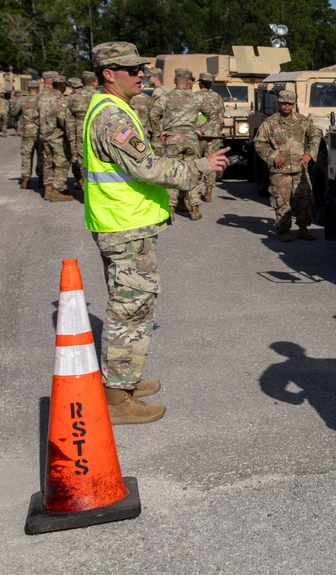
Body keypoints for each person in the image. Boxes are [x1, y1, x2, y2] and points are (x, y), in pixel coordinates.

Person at [83, 42, 229, 424]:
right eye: (131, 70)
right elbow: (146, 168)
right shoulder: (112, 116)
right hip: (124, 226)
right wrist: (199, 165)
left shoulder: (115, 108)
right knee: (129, 310)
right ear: (109, 74)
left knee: (134, 307)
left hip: (126, 223)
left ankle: (124, 381)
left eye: (141, 69)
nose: (141, 75)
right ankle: (116, 401)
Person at [253, 89, 321, 242]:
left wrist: (310, 153)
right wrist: (272, 156)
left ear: (294, 104)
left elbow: (315, 135)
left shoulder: (303, 121)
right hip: (280, 170)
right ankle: (284, 230)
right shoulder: (270, 123)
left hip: (300, 169)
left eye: (290, 104)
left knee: (304, 200)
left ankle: (303, 229)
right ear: (278, 103)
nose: (286, 107)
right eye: (284, 103)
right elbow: (259, 143)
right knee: (282, 202)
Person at [149, 68, 204, 220]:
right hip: (191, 139)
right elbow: (211, 113)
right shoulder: (197, 98)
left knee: (172, 172)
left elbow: (153, 114)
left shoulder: (166, 97)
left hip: (172, 139)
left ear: (174, 81)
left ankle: (171, 209)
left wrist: (159, 132)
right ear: (189, 82)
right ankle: (194, 209)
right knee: (193, 171)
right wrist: (200, 128)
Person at [38, 71, 73, 202]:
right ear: (62, 86)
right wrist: (71, 136)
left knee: (47, 163)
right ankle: (57, 190)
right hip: (56, 136)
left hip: (44, 135)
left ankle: (48, 189)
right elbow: (63, 119)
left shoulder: (43, 97)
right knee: (62, 163)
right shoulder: (59, 98)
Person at [195, 72, 224, 203]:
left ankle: (194, 190)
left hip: (198, 133)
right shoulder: (217, 97)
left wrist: (200, 124)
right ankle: (209, 190)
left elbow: (193, 114)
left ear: (200, 83)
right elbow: (221, 115)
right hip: (214, 134)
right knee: (212, 162)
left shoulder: (195, 97)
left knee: (195, 162)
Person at [66, 72, 98, 190]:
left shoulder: (74, 97)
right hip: (97, 131)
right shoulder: (99, 95)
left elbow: (69, 119)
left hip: (80, 132)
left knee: (83, 161)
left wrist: (71, 138)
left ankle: (86, 188)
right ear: (94, 82)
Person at [13, 79, 41, 189]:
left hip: (27, 132)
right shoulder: (41, 100)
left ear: (28, 89)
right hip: (39, 132)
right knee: (41, 157)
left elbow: (15, 112)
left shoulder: (22, 101)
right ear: (38, 89)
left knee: (26, 156)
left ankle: (25, 179)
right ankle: (41, 179)